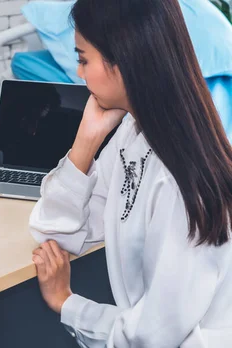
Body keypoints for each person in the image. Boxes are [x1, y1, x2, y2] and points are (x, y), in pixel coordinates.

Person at [29, 0, 232, 346]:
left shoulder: (180, 181)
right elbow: (53, 232)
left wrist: (68, 304)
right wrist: (84, 144)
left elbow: (153, 336)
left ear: (124, 61)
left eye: (83, 59)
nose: (79, 73)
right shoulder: (133, 135)